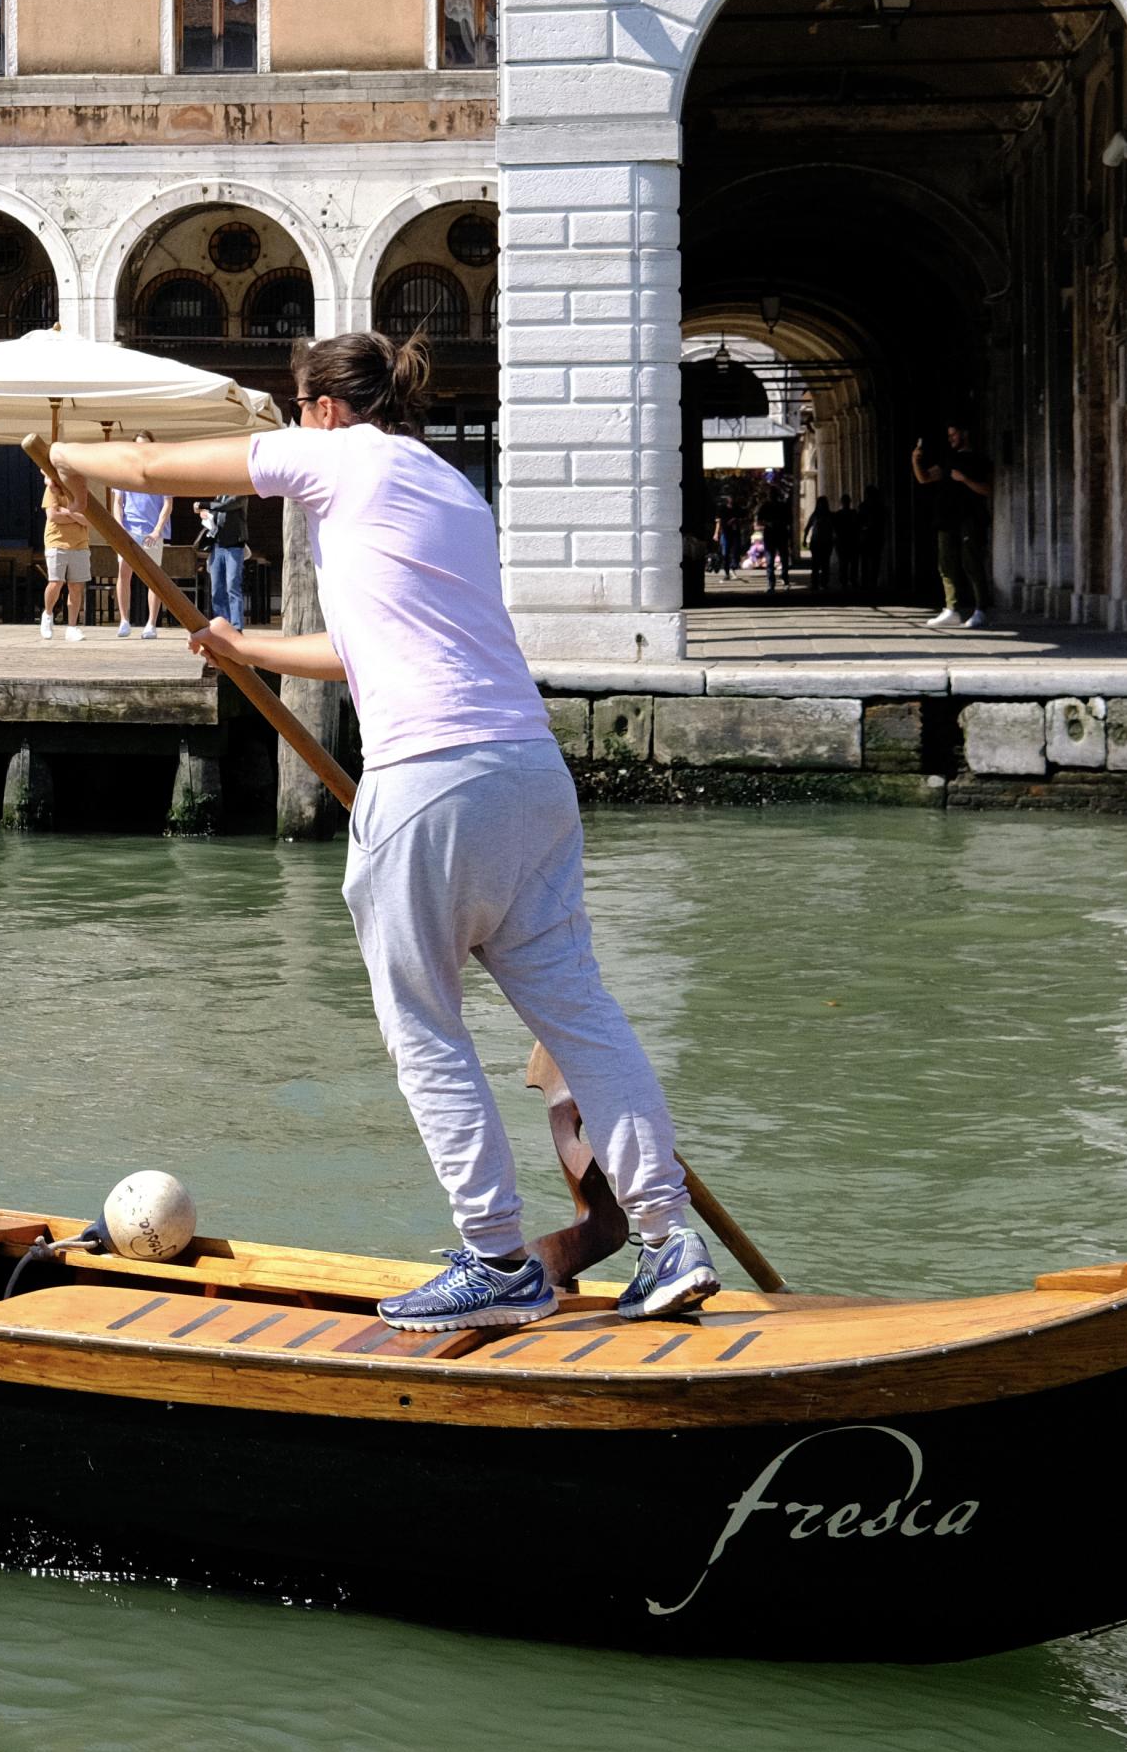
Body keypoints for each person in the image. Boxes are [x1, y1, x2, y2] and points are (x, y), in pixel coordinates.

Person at [46, 327, 719, 1334]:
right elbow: (373, 647)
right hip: (527, 772)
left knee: (424, 1028)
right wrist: (251, 648)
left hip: (431, 780)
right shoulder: (453, 489)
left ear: (321, 408)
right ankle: (670, 1241)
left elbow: (149, 465)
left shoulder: (333, 452)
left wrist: (62, 454)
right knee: (582, 1020)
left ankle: (497, 1258)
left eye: (292, 407)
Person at [914, 425, 995, 631]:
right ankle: (952, 609)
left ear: (965, 433)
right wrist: (915, 460)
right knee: (946, 565)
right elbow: (924, 478)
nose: (950, 439)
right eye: (948, 435)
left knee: (972, 563)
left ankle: (981, 610)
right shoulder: (948, 460)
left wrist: (965, 479)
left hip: (970, 518)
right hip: (946, 518)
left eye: (954, 434)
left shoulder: (978, 460)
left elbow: (987, 490)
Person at [108, 455, 172, 638]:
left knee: (154, 577)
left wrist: (157, 530)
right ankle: (124, 620)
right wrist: (119, 528)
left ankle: (151, 623)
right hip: (129, 530)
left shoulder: (161, 474)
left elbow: (168, 504)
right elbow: (118, 503)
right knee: (123, 572)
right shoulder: (123, 473)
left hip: (152, 532)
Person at [38, 473, 97, 642]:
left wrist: (67, 512)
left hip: (80, 544)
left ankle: (72, 627)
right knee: (56, 582)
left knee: (76, 586)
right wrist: (75, 516)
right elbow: (53, 516)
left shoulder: (84, 494)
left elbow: (89, 521)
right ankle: (48, 614)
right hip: (56, 541)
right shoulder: (52, 489)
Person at [197, 489, 253, 631]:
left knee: (232, 585)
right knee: (216, 588)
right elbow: (216, 513)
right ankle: (222, 624)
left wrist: (203, 504)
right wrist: (206, 515)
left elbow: (225, 506)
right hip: (217, 546)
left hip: (234, 547)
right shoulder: (219, 496)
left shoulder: (240, 495)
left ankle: (236, 626)